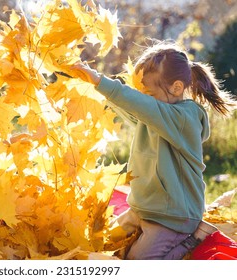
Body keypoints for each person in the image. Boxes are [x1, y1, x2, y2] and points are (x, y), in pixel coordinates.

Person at [69, 42, 237, 259]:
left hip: (173, 216)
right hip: (143, 208)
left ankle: (191, 242)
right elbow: (135, 108)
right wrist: (97, 86)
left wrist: (100, 81)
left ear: (176, 88)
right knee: (100, 242)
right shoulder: (155, 113)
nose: (142, 99)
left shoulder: (185, 118)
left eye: (147, 93)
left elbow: (143, 107)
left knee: (138, 262)